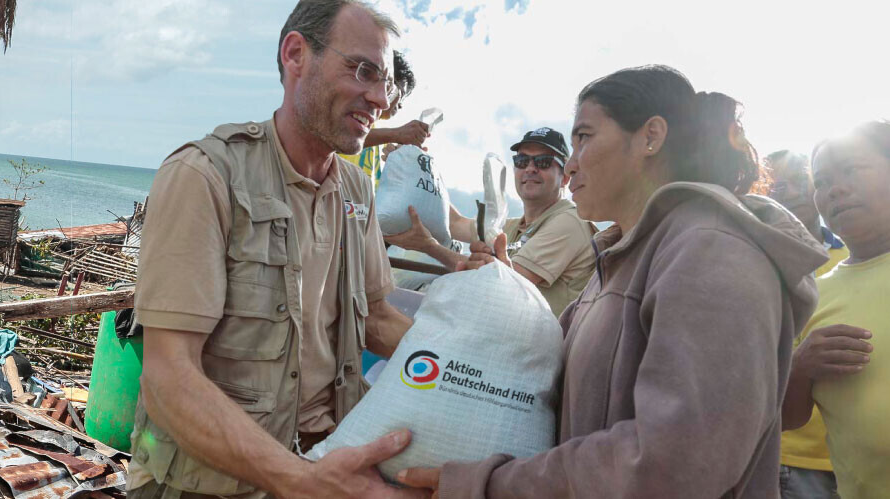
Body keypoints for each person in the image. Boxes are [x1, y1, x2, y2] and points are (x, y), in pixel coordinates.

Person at [394, 65, 827, 498]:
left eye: (584, 138)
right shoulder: (618, 262)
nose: (570, 167)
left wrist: (488, 485)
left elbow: (672, 463)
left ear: (651, 137)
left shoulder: (713, 252)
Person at [129, 1, 421, 497]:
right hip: (209, 484)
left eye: (386, 84)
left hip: (325, 461)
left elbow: (375, 319)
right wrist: (300, 481)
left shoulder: (356, 191)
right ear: (295, 54)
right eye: (363, 71)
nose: (379, 98)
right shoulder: (207, 175)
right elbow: (168, 377)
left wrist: (467, 369)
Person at [780, 120, 890, 499]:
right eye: (822, 181)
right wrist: (800, 366)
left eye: (851, 170)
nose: (835, 190)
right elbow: (789, 417)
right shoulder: (812, 296)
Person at [385, 127, 596, 315]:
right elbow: (454, 223)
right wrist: (413, 168)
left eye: (543, 162)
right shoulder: (510, 226)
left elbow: (502, 284)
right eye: (522, 161)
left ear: (565, 177)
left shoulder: (570, 221)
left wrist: (429, 246)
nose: (530, 168)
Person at [767, 149, 848, 499]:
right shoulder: (757, 261)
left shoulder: (855, 254)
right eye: (778, 186)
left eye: (801, 181)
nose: (793, 192)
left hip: (857, 450)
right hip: (794, 455)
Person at [341, 51, 427, 180]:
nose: (400, 105)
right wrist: (395, 134)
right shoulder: (350, 113)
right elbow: (337, 136)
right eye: (400, 94)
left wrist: (398, 161)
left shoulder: (381, 140)